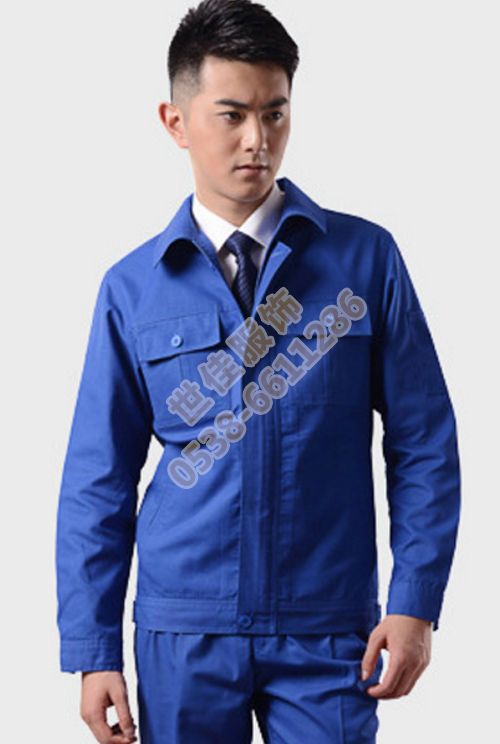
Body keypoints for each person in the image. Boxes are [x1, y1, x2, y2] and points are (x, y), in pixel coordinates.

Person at [55, 1, 461, 742]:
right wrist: (93, 650)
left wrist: (415, 602)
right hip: (185, 631)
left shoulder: (365, 260)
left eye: (275, 113)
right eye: (233, 115)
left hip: (328, 630)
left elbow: (424, 441)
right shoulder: (132, 289)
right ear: (176, 122)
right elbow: (98, 479)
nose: (258, 140)